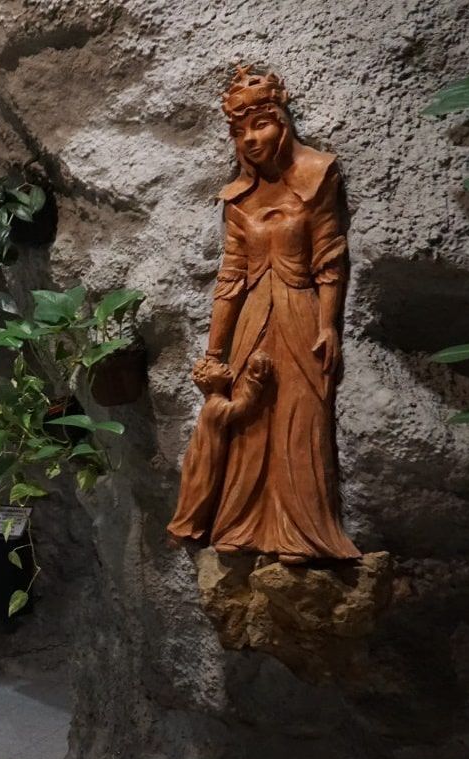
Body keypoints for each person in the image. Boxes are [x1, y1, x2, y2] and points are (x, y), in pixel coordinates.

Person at [181, 66, 360, 562]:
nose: (251, 140)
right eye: (239, 132)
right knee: (247, 419)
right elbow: (230, 277)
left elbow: (329, 256)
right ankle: (239, 525)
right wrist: (214, 352)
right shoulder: (238, 198)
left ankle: (302, 533)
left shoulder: (317, 176)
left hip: (300, 315)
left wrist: (328, 324)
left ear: (283, 121)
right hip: (250, 322)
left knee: (303, 418)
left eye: (260, 124)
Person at [169, 352, 272, 542]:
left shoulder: (215, 401)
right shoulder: (215, 405)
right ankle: (185, 526)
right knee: (201, 491)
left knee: (200, 490)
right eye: (214, 368)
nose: (223, 366)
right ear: (208, 381)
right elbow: (242, 407)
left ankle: (188, 525)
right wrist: (253, 380)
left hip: (205, 453)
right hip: (206, 457)